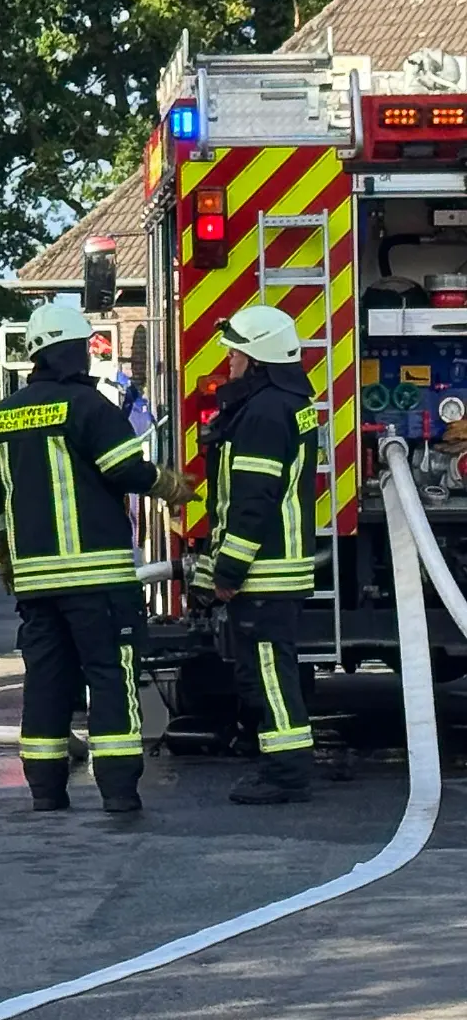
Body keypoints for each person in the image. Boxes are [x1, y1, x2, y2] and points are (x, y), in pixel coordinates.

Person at [0, 302, 194, 813]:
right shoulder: (91, 408)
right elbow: (123, 469)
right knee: (110, 676)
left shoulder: (3, 417)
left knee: (47, 681)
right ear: (77, 352)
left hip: (35, 584)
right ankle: (118, 792)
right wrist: (170, 485)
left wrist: (8, 553)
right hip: (97, 578)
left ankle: (46, 791)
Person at [193, 305, 318, 805]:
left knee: (268, 671)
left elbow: (252, 501)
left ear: (260, 357)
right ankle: (278, 761)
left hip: (265, 570)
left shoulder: (264, 414)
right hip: (274, 568)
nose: (231, 363)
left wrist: (227, 570)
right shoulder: (282, 403)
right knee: (269, 669)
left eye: (237, 354)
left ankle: (285, 773)